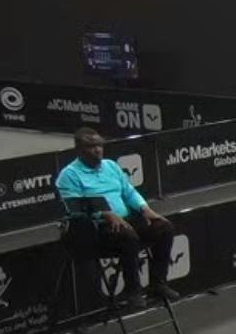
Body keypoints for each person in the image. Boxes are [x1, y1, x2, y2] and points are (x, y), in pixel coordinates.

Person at [56, 128, 179, 309]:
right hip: (96, 230)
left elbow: (129, 192)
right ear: (80, 150)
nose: (97, 150)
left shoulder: (111, 166)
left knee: (164, 227)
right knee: (128, 235)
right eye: (91, 146)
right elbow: (75, 209)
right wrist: (105, 214)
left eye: (99, 145)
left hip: (125, 221)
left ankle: (157, 284)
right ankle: (133, 291)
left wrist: (145, 209)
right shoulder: (69, 175)